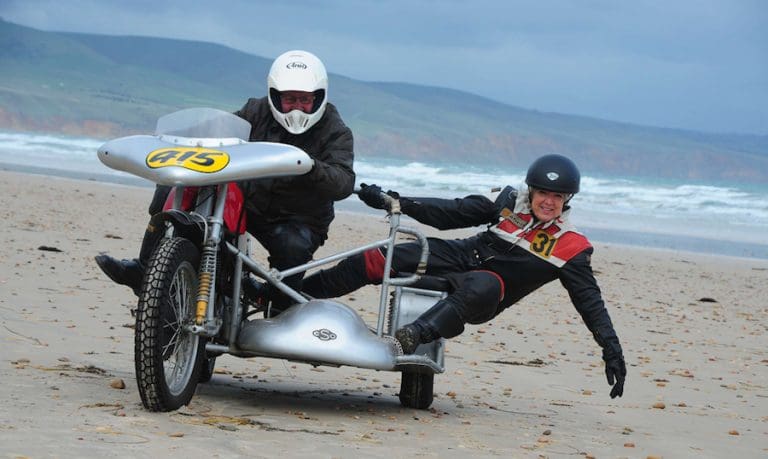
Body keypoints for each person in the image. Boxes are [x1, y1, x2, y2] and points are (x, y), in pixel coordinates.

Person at [300, 154, 627, 398]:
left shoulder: (571, 246)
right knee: (378, 257)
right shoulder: (507, 203)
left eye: (557, 197)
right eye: (543, 193)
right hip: (457, 257)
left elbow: (590, 303)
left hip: (489, 291)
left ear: (568, 199)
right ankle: (291, 296)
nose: (548, 201)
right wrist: (393, 200)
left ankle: (412, 336)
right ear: (532, 189)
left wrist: (611, 351)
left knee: (482, 282)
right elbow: (449, 213)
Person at [95, 50, 355, 313]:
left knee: (289, 264)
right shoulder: (255, 110)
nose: (297, 106)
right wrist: (179, 140)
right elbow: (220, 134)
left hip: (298, 218)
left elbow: (344, 182)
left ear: (318, 96)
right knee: (174, 186)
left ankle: (273, 301)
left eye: (304, 100)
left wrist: (309, 166)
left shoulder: (336, 130)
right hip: (249, 203)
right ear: (275, 95)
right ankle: (145, 270)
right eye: (289, 99)